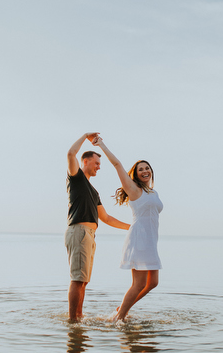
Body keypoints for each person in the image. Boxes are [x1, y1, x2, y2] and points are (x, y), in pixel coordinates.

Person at [92, 136, 163, 322]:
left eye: (147, 168)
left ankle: (122, 308)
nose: (145, 171)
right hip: (139, 240)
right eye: (141, 169)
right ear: (136, 174)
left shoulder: (153, 192)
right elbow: (117, 164)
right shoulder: (134, 190)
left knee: (153, 283)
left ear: (151, 172)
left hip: (151, 241)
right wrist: (101, 145)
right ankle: (119, 318)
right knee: (139, 284)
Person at [66, 133, 130, 322]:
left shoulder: (94, 191)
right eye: (96, 163)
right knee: (78, 279)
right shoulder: (76, 178)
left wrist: (132, 227)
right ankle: (73, 321)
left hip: (90, 235)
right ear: (85, 162)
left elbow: (107, 218)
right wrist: (85, 136)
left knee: (83, 281)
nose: (99, 167)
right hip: (78, 232)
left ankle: (79, 316)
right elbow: (71, 153)